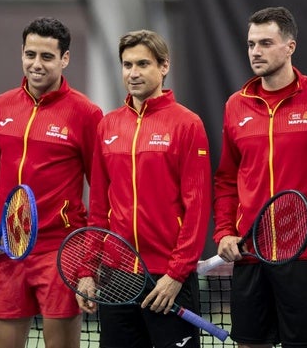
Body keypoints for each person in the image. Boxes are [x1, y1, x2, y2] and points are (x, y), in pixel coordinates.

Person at [213, 7, 307, 347]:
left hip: (304, 254)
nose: (255, 51)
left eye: (266, 43)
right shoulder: (235, 105)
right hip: (249, 253)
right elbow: (228, 178)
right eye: (250, 44)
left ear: (290, 47)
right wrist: (225, 231)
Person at [75, 29, 212, 348]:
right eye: (126, 65)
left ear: (164, 66)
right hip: (115, 277)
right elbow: (98, 208)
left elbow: (198, 208)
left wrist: (176, 274)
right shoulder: (107, 126)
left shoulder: (188, 125)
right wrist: (87, 269)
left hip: (166, 278)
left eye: (142, 64)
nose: (133, 73)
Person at [0, 17, 103, 348]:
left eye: (47, 57)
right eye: (30, 54)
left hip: (60, 252)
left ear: (64, 59)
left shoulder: (86, 113)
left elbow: (102, 191)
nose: (37, 64)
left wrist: (88, 263)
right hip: (8, 251)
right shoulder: (1, 106)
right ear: (21, 53)